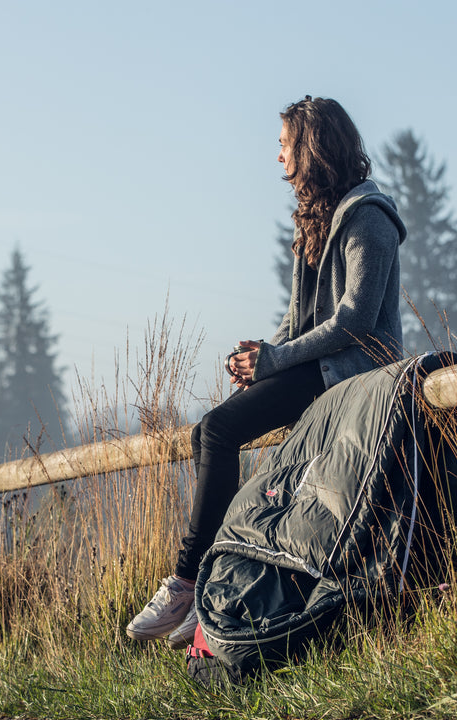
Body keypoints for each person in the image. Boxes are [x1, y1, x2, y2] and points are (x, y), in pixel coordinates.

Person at [125, 96, 407, 648]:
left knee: (222, 430)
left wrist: (276, 360)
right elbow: (297, 315)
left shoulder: (368, 216)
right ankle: (203, 588)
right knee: (208, 429)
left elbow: (354, 320)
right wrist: (261, 355)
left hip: (354, 371)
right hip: (317, 366)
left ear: (312, 146)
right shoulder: (314, 217)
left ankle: (187, 582)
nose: (277, 157)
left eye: (284, 144)